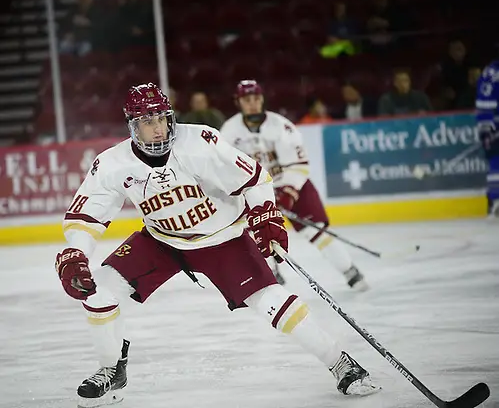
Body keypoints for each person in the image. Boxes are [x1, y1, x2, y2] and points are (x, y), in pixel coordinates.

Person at [54, 83, 379, 407]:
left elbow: (254, 179)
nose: (157, 129)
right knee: (98, 290)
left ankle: (341, 363)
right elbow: (86, 216)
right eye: (146, 122)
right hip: (161, 240)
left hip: (223, 239)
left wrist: (265, 215)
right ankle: (111, 369)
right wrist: (76, 253)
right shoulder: (113, 163)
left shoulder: (201, 142)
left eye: (161, 119)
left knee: (273, 301)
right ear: (131, 126)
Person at [220, 80, 369, 291]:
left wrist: (288, 192)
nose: (252, 104)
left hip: (292, 186)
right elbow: (226, 169)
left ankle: (350, 271)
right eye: (246, 100)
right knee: (256, 235)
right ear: (238, 102)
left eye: (255, 98)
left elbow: (298, 165)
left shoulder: (282, 126)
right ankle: (271, 276)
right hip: (255, 191)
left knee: (315, 231)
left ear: (262, 99)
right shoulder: (228, 131)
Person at [475, 57, 499, 217]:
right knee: (496, 161)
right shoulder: (492, 73)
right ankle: (496, 200)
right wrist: (487, 127)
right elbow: (484, 101)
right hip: (494, 127)